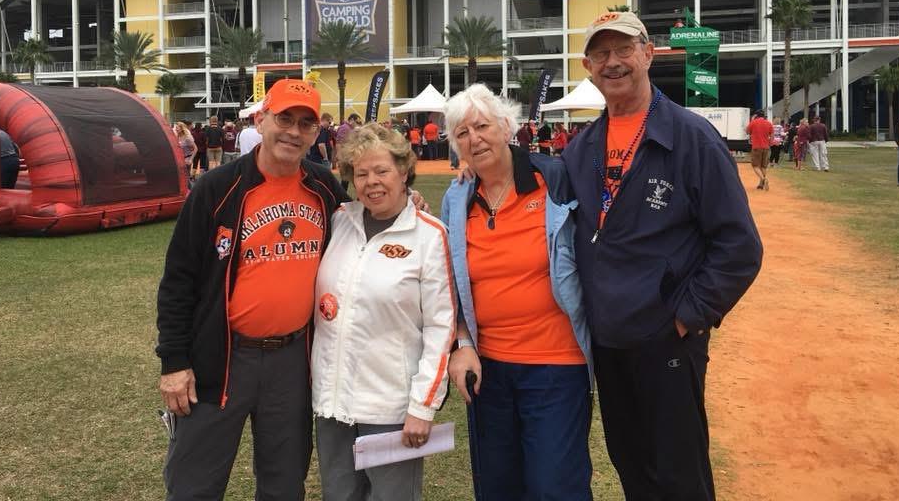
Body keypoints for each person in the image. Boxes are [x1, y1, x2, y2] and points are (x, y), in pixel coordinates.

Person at [562, 10, 762, 501]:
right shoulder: (580, 148)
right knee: (632, 466)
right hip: (607, 343)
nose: (614, 62)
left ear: (648, 54)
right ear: (588, 66)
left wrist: (686, 316)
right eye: (602, 53)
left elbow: (740, 246)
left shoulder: (691, 138)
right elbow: (539, 195)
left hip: (667, 340)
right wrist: (471, 178)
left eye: (624, 49)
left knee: (678, 476)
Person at [156, 79, 347, 501]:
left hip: (292, 360)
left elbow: (365, 231)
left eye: (306, 124)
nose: (293, 132)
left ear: (317, 133)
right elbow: (178, 280)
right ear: (261, 121)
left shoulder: (324, 189)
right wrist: (173, 361)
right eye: (284, 119)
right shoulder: (216, 188)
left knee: (283, 484)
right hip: (221, 358)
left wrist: (409, 205)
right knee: (194, 485)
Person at [442, 84, 593, 501]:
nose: (474, 139)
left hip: (556, 365)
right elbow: (452, 283)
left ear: (506, 126)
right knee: (497, 487)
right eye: (462, 133)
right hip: (487, 370)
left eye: (482, 126)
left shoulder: (555, 179)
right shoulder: (457, 199)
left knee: (554, 487)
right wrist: (462, 343)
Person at [312, 123, 455, 501]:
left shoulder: (429, 234)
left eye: (382, 171)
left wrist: (423, 406)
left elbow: (442, 327)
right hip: (333, 404)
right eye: (361, 173)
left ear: (404, 171)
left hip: (390, 408)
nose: (371, 182)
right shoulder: (339, 221)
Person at [746, 110, 774, 190]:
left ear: (756, 116)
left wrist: (752, 120)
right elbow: (772, 134)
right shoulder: (768, 123)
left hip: (756, 147)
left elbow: (747, 131)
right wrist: (770, 143)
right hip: (766, 147)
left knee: (755, 166)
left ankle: (764, 180)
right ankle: (761, 184)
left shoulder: (754, 122)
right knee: (763, 166)